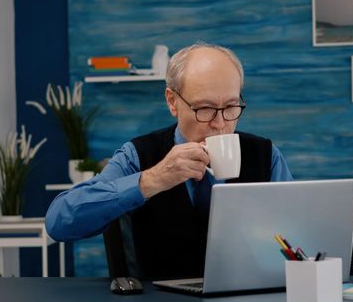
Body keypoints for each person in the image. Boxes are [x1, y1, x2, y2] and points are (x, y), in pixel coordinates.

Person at [46, 43, 293, 279]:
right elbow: (59, 223)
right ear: (172, 101)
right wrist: (151, 180)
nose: (220, 123)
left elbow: (295, 238)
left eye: (231, 106)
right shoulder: (137, 155)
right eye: (204, 108)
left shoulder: (266, 155)